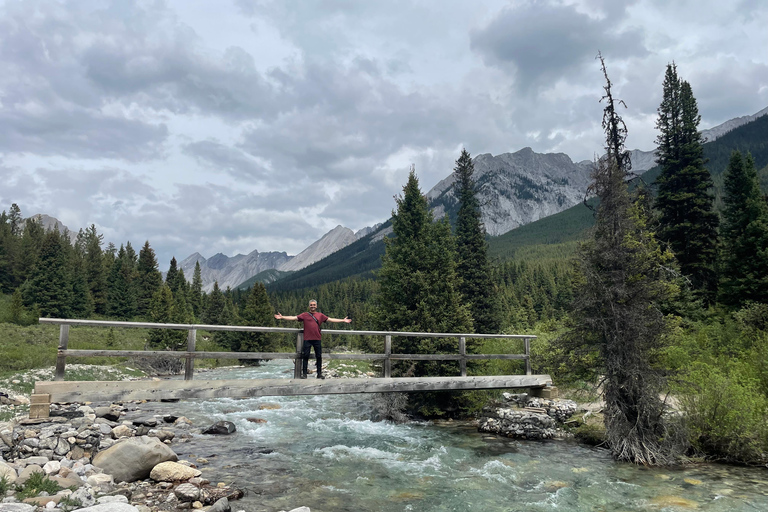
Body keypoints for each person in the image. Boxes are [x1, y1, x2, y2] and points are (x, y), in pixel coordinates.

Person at [274, 299, 351, 379]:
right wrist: (282, 317)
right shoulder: (305, 315)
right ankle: (304, 374)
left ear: (316, 306)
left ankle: (319, 374)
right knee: (305, 356)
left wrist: (342, 320)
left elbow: (331, 319)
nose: (312, 306)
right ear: (309, 306)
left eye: (314, 305)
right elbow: (293, 318)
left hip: (317, 338)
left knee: (319, 356)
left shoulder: (320, 315)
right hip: (307, 339)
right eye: (311, 305)